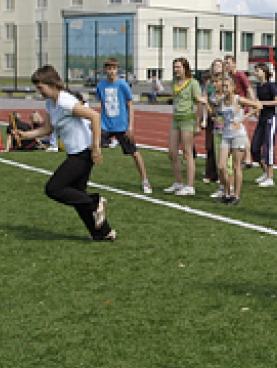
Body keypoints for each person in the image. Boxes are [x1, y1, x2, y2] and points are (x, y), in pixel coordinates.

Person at [16, 65, 115, 241]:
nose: (39, 91)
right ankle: (103, 232)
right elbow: (47, 129)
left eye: (40, 87)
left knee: (54, 188)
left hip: (84, 152)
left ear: (52, 84)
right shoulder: (50, 103)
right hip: (74, 153)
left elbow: (95, 117)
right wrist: (26, 135)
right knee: (77, 194)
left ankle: (95, 202)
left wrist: (96, 147)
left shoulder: (65, 101)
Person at [96, 57, 152, 194]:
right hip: (105, 125)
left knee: (134, 153)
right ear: (105, 70)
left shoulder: (123, 85)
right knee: (92, 149)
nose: (111, 71)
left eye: (113, 68)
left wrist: (130, 126)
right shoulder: (101, 86)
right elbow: (102, 105)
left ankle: (145, 180)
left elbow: (130, 105)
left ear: (117, 69)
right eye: (109, 68)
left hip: (121, 126)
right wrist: (99, 123)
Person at [216, 76, 263, 205]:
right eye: (223, 86)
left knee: (237, 166)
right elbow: (219, 116)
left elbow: (258, 106)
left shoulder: (238, 99)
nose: (224, 89)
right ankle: (227, 192)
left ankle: (236, 196)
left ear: (233, 87)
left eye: (227, 86)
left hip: (238, 135)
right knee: (221, 166)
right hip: (226, 135)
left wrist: (243, 118)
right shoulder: (222, 101)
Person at [164, 58, 202, 196]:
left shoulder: (193, 83)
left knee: (187, 153)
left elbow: (199, 103)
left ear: (185, 68)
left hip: (187, 120)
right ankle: (178, 182)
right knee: (172, 152)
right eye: (175, 67)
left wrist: (198, 123)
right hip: (176, 119)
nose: (176, 70)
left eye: (179, 67)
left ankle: (190, 186)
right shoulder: (175, 82)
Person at [250, 63, 277, 188]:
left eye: (258, 70)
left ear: (265, 72)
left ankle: (270, 177)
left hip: (270, 119)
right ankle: (264, 171)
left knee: (268, 147)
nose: (256, 73)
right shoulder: (259, 86)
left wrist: (263, 103)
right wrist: (257, 110)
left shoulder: (271, 86)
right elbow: (257, 102)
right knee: (254, 148)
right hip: (262, 120)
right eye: (255, 70)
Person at [224, 54, 256, 167]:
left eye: (228, 63)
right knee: (236, 132)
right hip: (231, 108)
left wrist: (253, 105)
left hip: (241, 107)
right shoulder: (228, 76)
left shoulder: (240, 74)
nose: (226, 65)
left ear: (234, 63)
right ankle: (242, 157)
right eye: (225, 63)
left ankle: (248, 158)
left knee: (242, 132)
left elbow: (249, 89)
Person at [200, 59, 224, 184]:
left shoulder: (226, 83)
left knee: (222, 147)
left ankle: (223, 176)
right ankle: (211, 173)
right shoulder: (209, 83)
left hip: (222, 119)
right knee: (210, 146)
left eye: (219, 65)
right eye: (215, 65)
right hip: (211, 117)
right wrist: (204, 118)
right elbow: (205, 100)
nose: (216, 68)